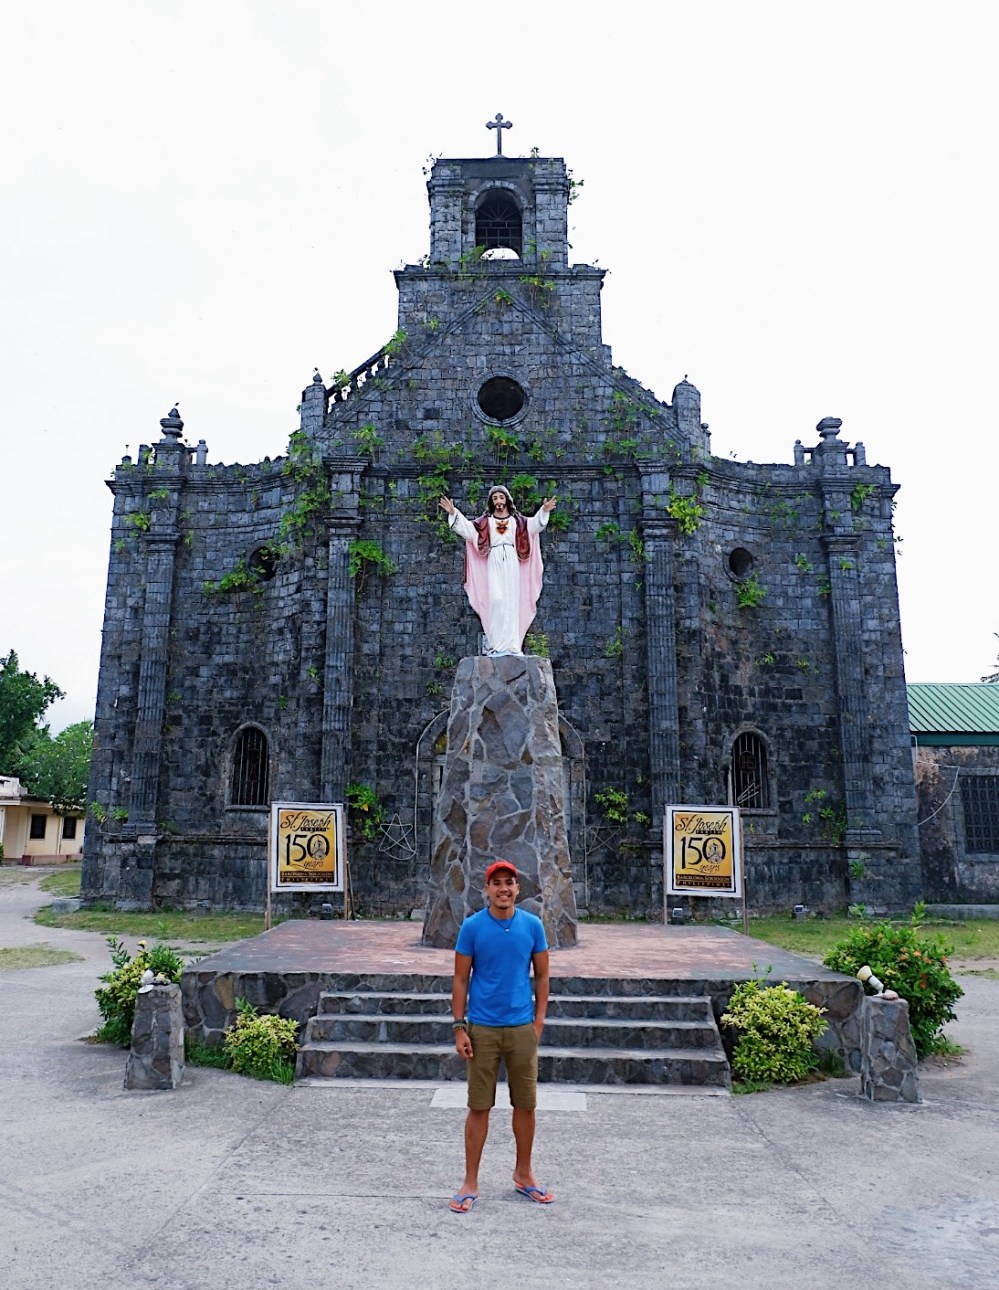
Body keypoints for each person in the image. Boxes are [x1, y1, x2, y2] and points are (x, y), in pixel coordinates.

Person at [448, 859, 554, 1212]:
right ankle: (470, 1181)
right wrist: (459, 1026)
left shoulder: (533, 926)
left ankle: (524, 1174)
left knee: (526, 1104)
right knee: (479, 1106)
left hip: (522, 1027)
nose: (504, 889)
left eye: (510, 883)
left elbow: (541, 976)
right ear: (488, 889)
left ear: (518, 889)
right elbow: (461, 979)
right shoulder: (472, 927)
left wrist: (538, 1021)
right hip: (482, 1029)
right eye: (497, 883)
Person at [439, 486, 556, 655]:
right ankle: (496, 644)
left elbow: (534, 525)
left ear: (507, 500)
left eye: (501, 497)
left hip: (511, 559)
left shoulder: (518, 522)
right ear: (491, 503)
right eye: (495, 498)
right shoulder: (485, 523)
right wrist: (453, 513)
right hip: (493, 559)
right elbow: (467, 530)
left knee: (511, 601)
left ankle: (512, 645)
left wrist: (543, 511)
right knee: (496, 600)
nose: (498, 501)